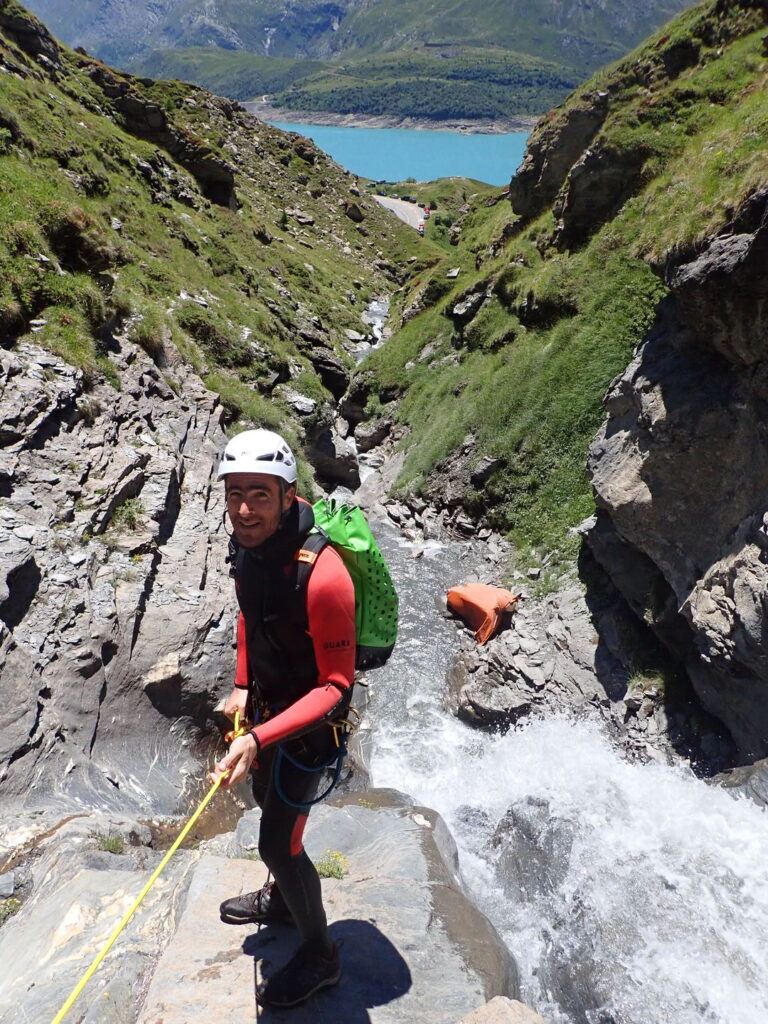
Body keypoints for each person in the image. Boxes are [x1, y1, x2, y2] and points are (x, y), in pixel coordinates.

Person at [209, 428, 356, 1009]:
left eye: (260, 495)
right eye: (235, 493)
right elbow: (250, 616)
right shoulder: (248, 548)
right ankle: (283, 902)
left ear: (288, 495)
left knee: (277, 842)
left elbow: (336, 687)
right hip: (268, 709)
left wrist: (259, 737)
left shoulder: (324, 574)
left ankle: (322, 955)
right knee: (265, 801)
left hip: (312, 728)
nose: (244, 509)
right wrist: (243, 685)